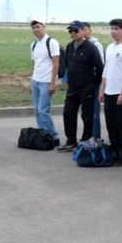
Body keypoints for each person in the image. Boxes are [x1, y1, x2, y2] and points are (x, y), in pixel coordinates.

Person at [58, 20, 104, 152]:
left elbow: (100, 67)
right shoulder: (69, 47)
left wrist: (94, 83)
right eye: (70, 31)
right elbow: (67, 64)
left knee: (87, 115)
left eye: (75, 30)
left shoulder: (90, 47)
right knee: (68, 113)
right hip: (73, 87)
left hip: (87, 87)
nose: (72, 33)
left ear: (82, 31)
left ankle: (85, 141)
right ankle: (71, 141)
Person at [100, 19, 122, 167]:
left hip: (121, 92)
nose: (113, 31)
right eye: (112, 28)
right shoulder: (109, 47)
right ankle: (114, 150)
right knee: (111, 124)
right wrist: (102, 89)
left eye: (116, 28)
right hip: (109, 91)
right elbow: (106, 70)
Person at [30, 20, 61, 145]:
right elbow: (34, 63)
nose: (36, 29)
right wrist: (32, 79)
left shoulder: (51, 42)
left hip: (46, 81)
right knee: (37, 111)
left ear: (44, 27)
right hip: (36, 81)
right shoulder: (34, 44)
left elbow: (56, 64)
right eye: (33, 27)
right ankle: (43, 134)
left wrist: (52, 83)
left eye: (38, 26)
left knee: (43, 111)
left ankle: (53, 136)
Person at [82, 22, 105, 140]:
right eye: (81, 30)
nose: (83, 32)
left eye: (85, 30)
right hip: (83, 84)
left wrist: (98, 82)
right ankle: (88, 135)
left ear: (90, 31)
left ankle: (95, 136)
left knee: (94, 111)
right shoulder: (79, 44)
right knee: (86, 111)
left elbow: (100, 64)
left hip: (94, 82)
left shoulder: (96, 44)